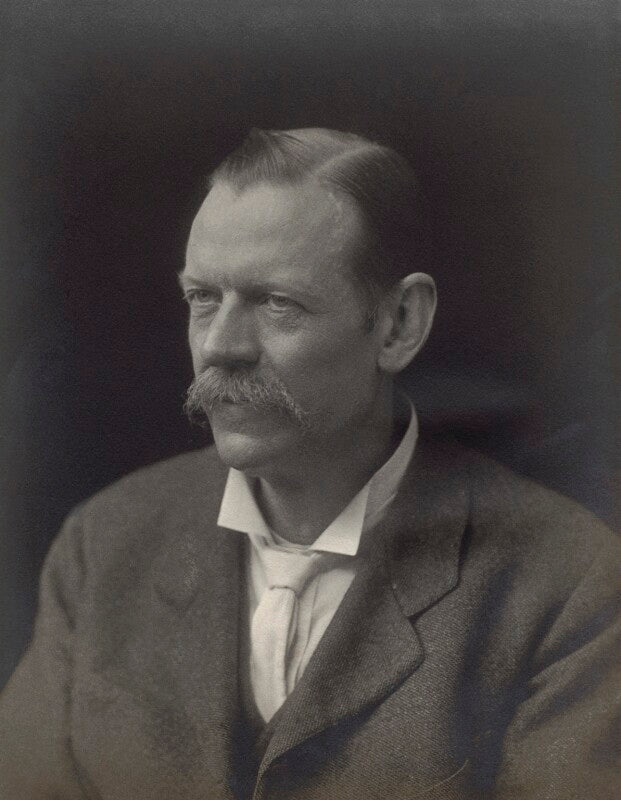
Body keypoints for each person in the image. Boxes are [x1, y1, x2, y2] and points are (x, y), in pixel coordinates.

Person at [0, 127, 619, 800]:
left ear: (398, 324)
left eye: (277, 303)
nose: (220, 346)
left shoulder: (566, 582)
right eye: (203, 298)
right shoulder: (104, 544)